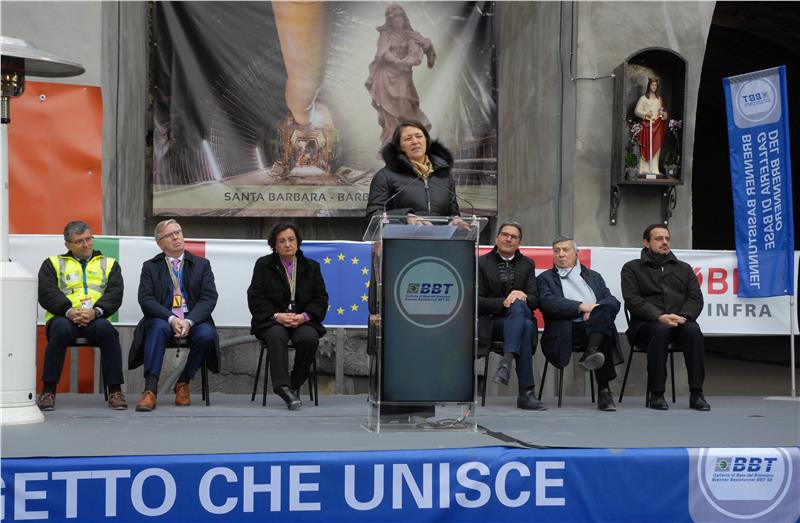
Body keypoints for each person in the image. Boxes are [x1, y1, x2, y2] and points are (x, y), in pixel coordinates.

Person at [36, 221, 127, 411]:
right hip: (63, 317)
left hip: (96, 318)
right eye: (79, 241)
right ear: (67, 244)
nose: (86, 244)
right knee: (60, 330)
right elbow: (46, 292)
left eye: (88, 239)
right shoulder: (52, 263)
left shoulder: (109, 264)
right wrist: (69, 311)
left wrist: (96, 312)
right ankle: (48, 391)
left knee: (108, 332)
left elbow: (115, 294)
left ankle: (115, 391)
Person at [129, 220, 219, 411]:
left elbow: (209, 298)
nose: (176, 237)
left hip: (192, 318)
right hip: (163, 318)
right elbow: (146, 299)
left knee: (206, 335)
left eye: (178, 232)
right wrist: (171, 318)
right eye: (169, 235)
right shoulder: (150, 267)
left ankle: (183, 382)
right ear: (159, 243)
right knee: (157, 327)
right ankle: (150, 389)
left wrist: (189, 321)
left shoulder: (201, 264)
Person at [620, 224, 710, 411]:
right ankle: (657, 394)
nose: (665, 242)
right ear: (646, 243)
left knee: (693, 330)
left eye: (667, 238)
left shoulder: (684, 268)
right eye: (659, 239)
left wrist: (683, 316)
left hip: (679, 323)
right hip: (646, 326)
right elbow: (632, 300)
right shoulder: (631, 268)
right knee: (660, 330)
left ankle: (697, 393)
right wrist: (658, 316)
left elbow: (695, 298)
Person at [247, 222, 328, 411]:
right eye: (282, 241)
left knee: (309, 338)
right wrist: (276, 315)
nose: (287, 244)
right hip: (273, 320)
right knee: (276, 336)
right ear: (274, 245)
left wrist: (304, 317)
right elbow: (255, 296)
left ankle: (294, 384)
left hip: (302, 320)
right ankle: (283, 388)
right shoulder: (263, 265)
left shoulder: (311, 266)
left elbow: (321, 299)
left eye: (291, 240)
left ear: (298, 242)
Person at [537, 236, 624, 411]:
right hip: (565, 330)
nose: (561, 254)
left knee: (605, 317)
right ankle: (604, 390)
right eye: (557, 251)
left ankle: (593, 357)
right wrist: (583, 307)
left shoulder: (594, 277)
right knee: (604, 328)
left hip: (592, 329)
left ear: (576, 253)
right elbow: (549, 303)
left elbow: (612, 302)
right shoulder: (545, 278)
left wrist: (595, 312)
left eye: (566, 250)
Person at [478, 222, 547, 411]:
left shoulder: (527, 264)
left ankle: (506, 362)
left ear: (519, 242)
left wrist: (521, 296)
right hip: (493, 322)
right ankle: (526, 393)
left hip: (518, 319)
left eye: (513, 236)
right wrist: (504, 302)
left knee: (521, 312)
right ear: (497, 237)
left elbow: (535, 299)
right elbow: (476, 301)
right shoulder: (481, 263)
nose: (508, 239)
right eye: (505, 234)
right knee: (524, 324)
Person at [365, 3, 436, 147]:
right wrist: (397, 62)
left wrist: (426, 52)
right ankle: (390, 141)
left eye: (400, 19)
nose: (397, 22)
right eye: (394, 20)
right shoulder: (385, 35)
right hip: (386, 75)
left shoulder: (411, 35)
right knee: (388, 109)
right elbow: (382, 53)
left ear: (404, 19)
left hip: (403, 75)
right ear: (390, 21)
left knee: (405, 100)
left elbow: (424, 46)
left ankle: (410, 134)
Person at [365, 119, 458, 222]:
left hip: (439, 233)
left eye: (419, 136)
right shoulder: (384, 176)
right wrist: (404, 217)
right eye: (408, 138)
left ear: (426, 141)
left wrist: (455, 220)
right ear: (399, 146)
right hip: (402, 232)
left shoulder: (444, 175)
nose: (415, 141)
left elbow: (453, 213)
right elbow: (373, 215)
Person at [634, 77, 668, 175]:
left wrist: (663, 114)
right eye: (652, 85)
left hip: (657, 126)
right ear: (649, 86)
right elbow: (636, 111)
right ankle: (644, 169)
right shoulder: (643, 98)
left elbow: (664, 113)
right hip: (647, 126)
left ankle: (655, 169)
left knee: (657, 146)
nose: (654, 87)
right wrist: (646, 114)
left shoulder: (659, 99)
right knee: (646, 146)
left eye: (655, 85)